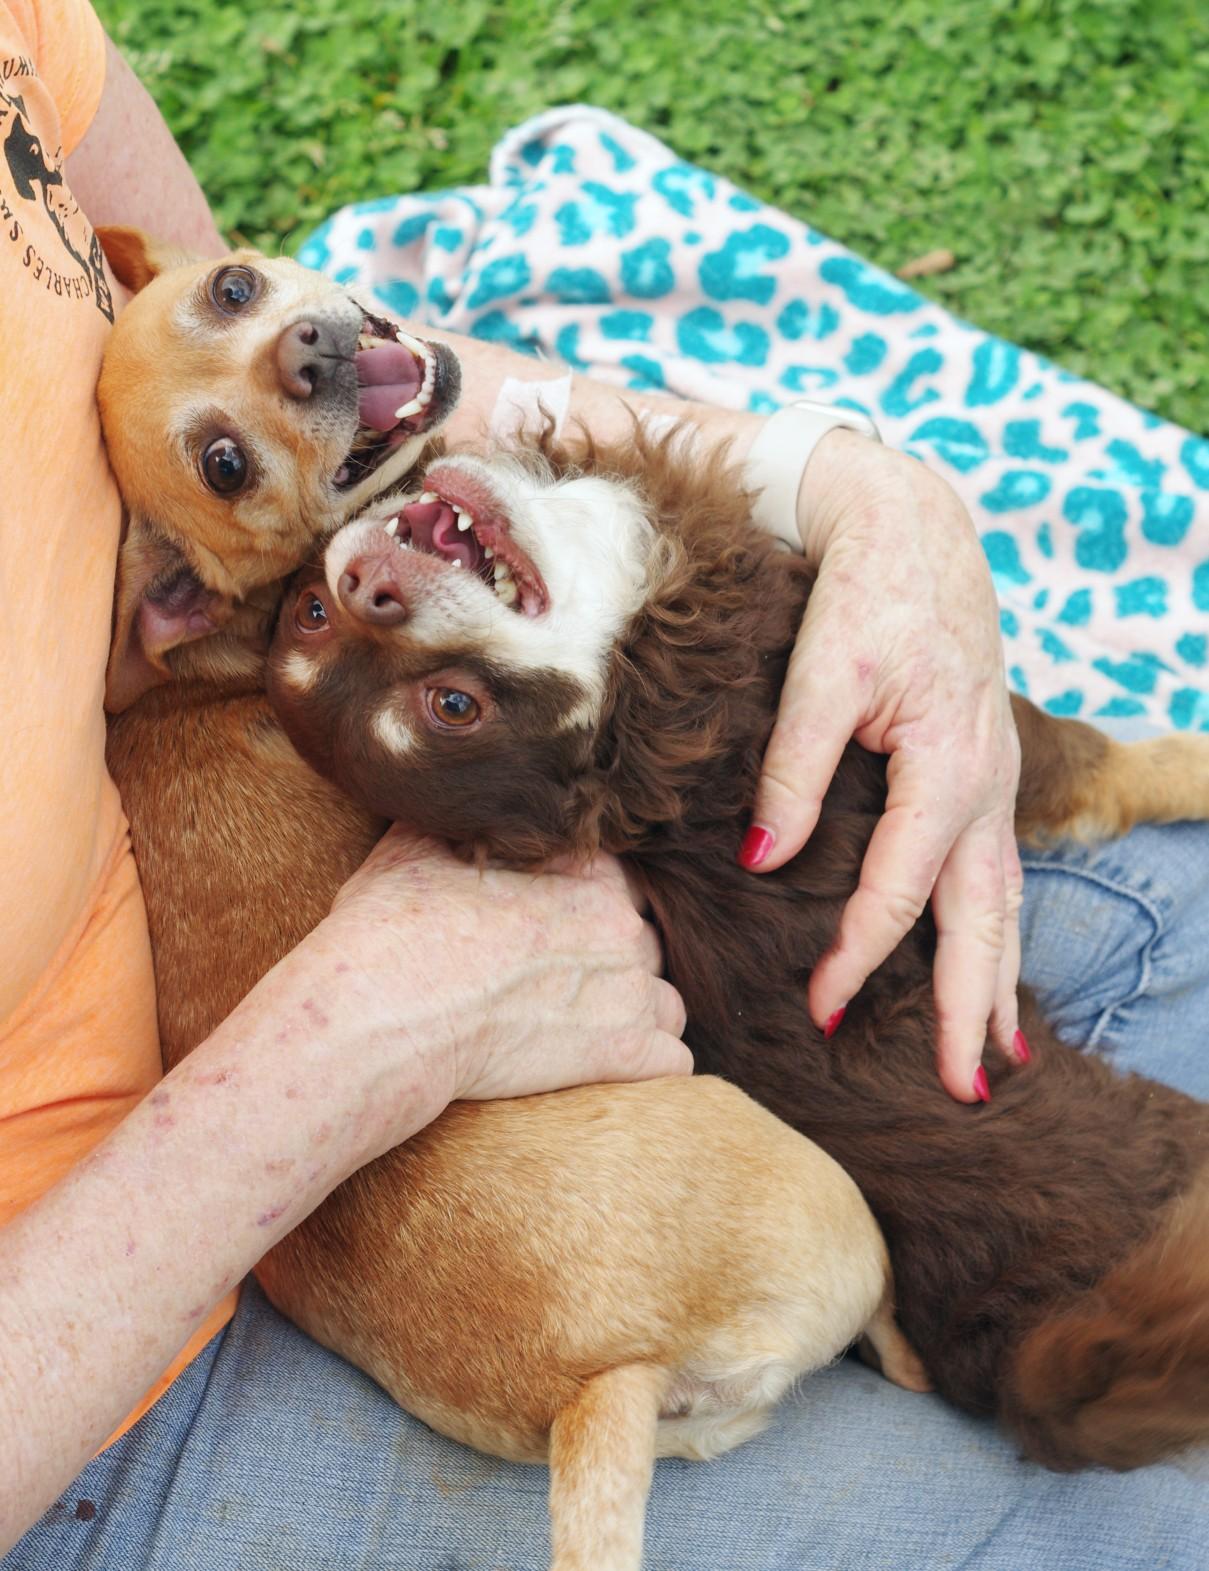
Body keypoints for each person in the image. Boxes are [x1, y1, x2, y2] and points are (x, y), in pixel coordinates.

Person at [2, 4, 1206, 1566]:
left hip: (607, 891)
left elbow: (357, 382)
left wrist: (850, 492)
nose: (278, 336)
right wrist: (336, 1062)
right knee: (1144, 1505)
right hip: (145, 1358)